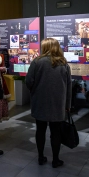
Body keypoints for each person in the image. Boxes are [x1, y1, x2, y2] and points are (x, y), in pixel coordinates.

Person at [25, 38, 71, 168]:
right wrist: (67, 105)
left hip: (40, 102)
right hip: (58, 104)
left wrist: (35, 91)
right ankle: (55, 160)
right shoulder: (63, 64)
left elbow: (28, 81)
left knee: (40, 130)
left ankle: (40, 157)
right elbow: (69, 87)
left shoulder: (37, 62)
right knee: (56, 132)